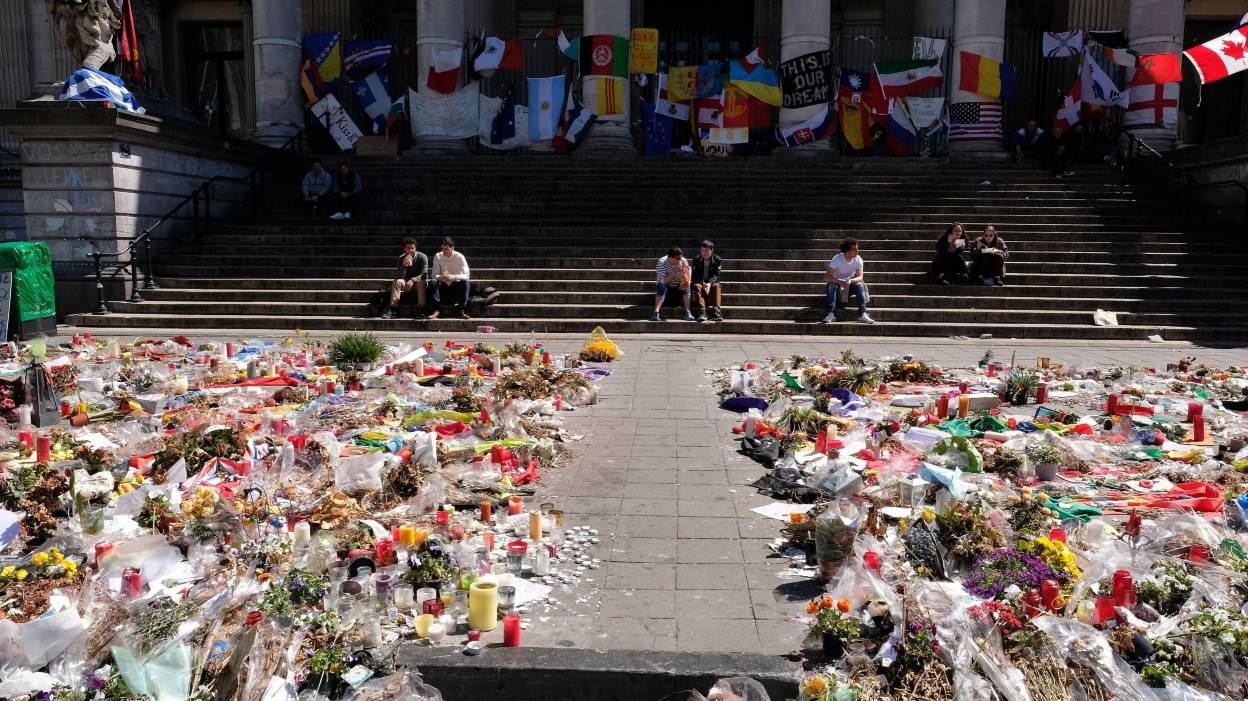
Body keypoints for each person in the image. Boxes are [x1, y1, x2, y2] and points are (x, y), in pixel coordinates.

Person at [823, 238, 874, 324]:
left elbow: (860, 277)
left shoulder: (858, 259)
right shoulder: (837, 259)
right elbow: (827, 277)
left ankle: (862, 314)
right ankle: (830, 314)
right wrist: (839, 281)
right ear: (847, 250)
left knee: (859, 284)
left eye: (857, 248)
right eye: (854, 249)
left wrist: (850, 280)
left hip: (850, 285)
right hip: (837, 287)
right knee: (831, 285)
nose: (857, 251)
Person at [383, 237, 430, 319]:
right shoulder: (401, 258)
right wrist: (404, 265)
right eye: (408, 248)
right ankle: (393, 308)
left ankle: (421, 309)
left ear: (415, 248)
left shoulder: (422, 257)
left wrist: (412, 280)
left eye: (412, 248)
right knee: (397, 281)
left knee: (421, 282)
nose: (411, 250)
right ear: (404, 249)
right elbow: (399, 276)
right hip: (406, 281)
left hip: (418, 282)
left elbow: (424, 274)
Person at [429, 237, 471, 319]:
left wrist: (455, 277)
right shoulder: (438, 256)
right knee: (433, 281)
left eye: (446, 249)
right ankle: (436, 310)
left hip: (455, 284)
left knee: (465, 282)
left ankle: (461, 309)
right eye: (443, 249)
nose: (444, 251)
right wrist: (442, 277)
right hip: (443, 284)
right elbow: (434, 274)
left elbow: (467, 274)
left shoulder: (459, 256)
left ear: (452, 248)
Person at [651, 247, 693, 322]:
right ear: (670, 258)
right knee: (661, 285)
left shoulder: (683, 260)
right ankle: (656, 312)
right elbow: (663, 281)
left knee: (687, 285)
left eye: (680, 257)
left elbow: (688, 278)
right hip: (667, 289)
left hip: (679, 288)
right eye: (677, 258)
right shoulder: (662, 262)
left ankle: (688, 312)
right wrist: (675, 271)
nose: (680, 260)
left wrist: (685, 273)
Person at [690, 240, 723, 322]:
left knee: (717, 286)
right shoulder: (696, 259)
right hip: (700, 282)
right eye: (702, 250)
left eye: (707, 250)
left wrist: (709, 283)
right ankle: (702, 312)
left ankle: (716, 312)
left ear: (712, 250)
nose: (704, 253)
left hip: (711, 282)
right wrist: (703, 283)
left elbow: (717, 275)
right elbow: (695, 276)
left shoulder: (717, 259)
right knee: (697, 286)